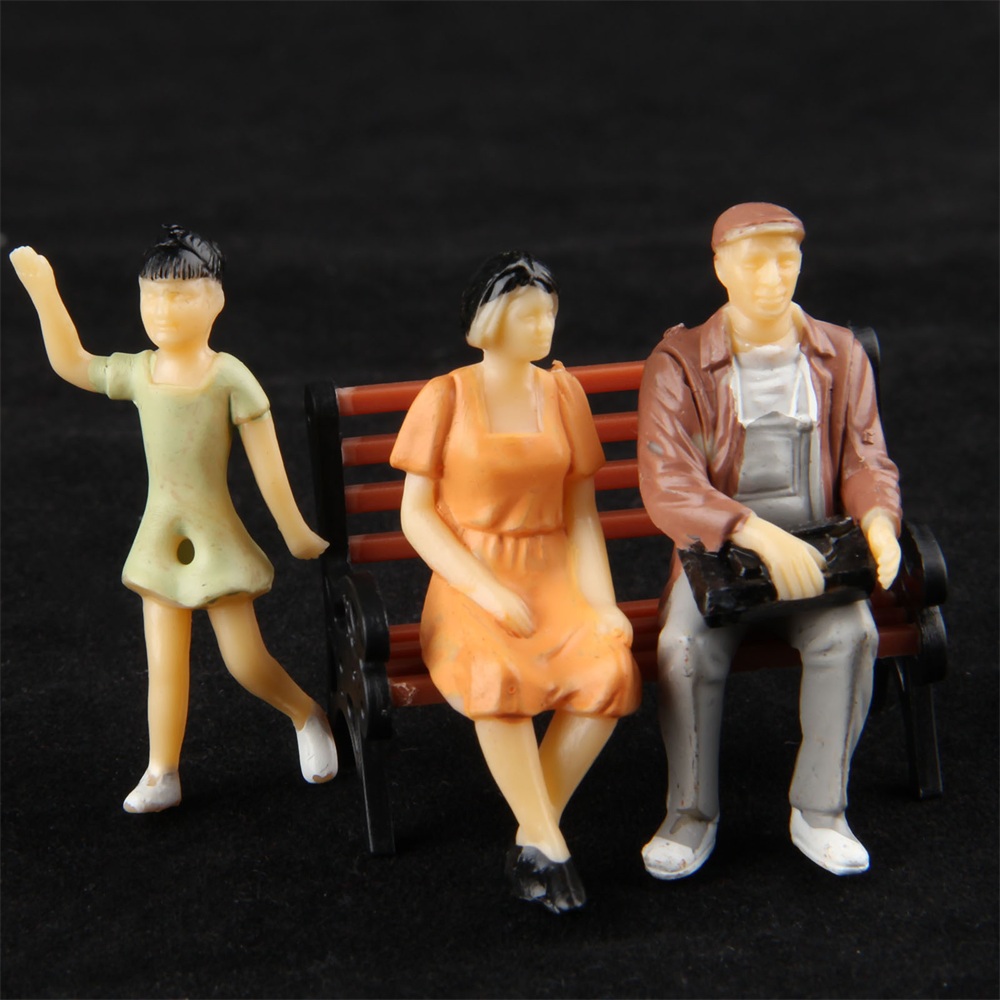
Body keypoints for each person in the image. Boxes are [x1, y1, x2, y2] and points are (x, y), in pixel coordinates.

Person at [9, 226, 338, 813]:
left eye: (181, 296)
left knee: (245, 662)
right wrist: (43, 291)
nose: (163, 310)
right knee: (163, 666)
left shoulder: (229, 377)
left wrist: (294, 531)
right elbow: (73, 363)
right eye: (151, 296)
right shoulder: (139, 372)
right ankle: (162, 771)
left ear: (216, 300)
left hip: (216, 539)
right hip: (159, 540)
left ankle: (306, 715)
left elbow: (268, 466)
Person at [637, 203, 902, 878]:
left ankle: (821, 810)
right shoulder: (680, 364)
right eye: (754, 262)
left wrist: (878, 522)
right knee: (685, 649)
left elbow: (865, 458)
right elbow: (669, 482)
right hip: (718, 561)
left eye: (786, 260)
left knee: (852, 635)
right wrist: (753, 533)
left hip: (816, 560)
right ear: (721, 268)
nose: (772, 276)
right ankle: (690, 813)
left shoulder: (839, 354)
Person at [390, 251, 641, 912]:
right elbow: (416, 515)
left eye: (549, 314)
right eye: (528, 315)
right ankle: (552, 846)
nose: (543, 327)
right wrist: (486, 590)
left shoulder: (563, 394)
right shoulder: (445, 396)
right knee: (496, 675)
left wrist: (601, 603)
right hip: (471, 579)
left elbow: (582, 514)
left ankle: (533, 833)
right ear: (490, 320)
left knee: (610, 672)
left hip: (553, 573)